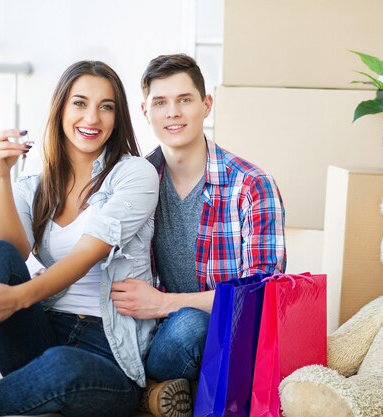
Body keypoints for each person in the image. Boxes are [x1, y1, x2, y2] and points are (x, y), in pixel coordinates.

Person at [0, 60, 159, 417]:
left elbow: (88, 253)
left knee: (62, 365)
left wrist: (17, 297)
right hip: (42, 330)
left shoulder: (134, 174)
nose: (92, 118)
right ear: (60, 109)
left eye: (106, 107)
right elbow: (14, 250)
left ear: (118, 118)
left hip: (107, 355)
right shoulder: (38, 180)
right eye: (80, 103)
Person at [110, 54, 286, 417]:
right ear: (146, 112)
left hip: (215, 333)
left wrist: (165, 304)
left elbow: (261, 294)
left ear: (206, 105)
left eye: (184, 100)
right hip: (143, 330)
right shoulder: (135, 182)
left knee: (192, 325)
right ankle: (163, 389)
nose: (172, 112)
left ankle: (150, 392)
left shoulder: (251, 185)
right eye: (161, 103)